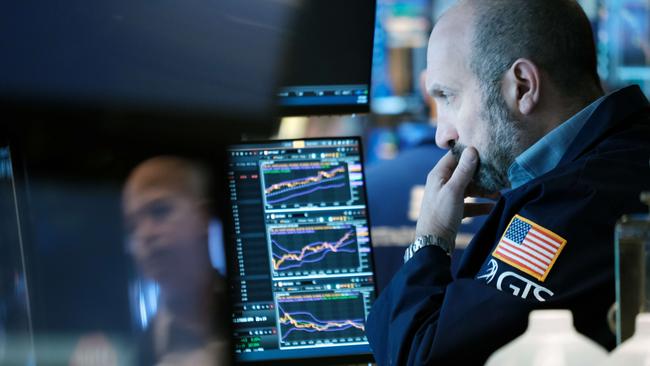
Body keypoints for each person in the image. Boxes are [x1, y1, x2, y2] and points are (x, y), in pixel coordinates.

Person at [366, 0, 650, 364]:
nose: (442, 135)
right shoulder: (610, 161)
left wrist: (431, 239)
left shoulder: (579, 201)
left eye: (448, 97)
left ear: (522, 87)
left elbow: (421, 355)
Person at [122, 156, 230, 366]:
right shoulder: (139, 354)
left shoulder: (255, 313)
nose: (144, 234)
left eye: (159, 211)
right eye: (132, 226)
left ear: (203, 216)